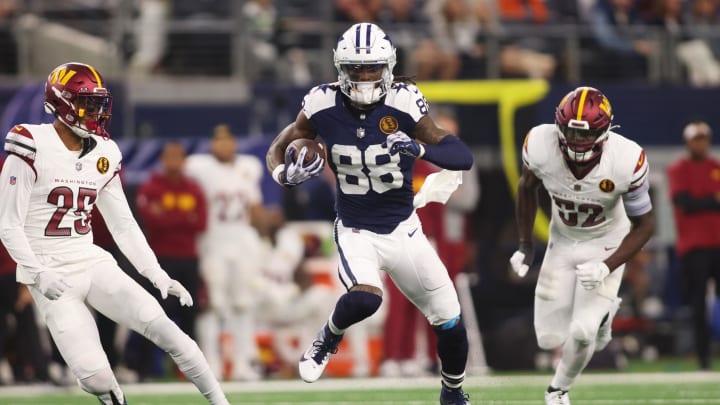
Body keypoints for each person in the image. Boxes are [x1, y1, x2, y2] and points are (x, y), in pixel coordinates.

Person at [266, 23, 474, 405]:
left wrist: (418, 148)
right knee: (366, 299)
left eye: (372, 67)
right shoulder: (321, 104)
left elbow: (462, 156)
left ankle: (453, 393)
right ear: (340, 69)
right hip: (356, 230)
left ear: (389, 66)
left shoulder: (406, 101)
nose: (364, 76)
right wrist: (284, 174)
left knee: (450, 320)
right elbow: (282, 143)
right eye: (356, 68)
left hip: (405, 230)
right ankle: (327, 338)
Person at [0, 62, 230, 405]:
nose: (96, 112)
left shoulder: (104, 152)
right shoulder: (31, 143)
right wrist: (36, 272)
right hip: (50, 273)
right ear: (62, 103)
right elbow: (8, 224)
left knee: (167, 330)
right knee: (95, 376)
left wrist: (156, 274)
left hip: (92, 261)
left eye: (98, 103)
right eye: (87, 103)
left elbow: (123, 224)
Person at [509, 86, 655, 405]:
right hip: (561, 243)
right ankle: (605, 316)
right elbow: (526, 188)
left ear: (605, 131)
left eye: (583, 136)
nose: (576, 143)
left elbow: (646, 225)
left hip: (606, 243)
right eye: (570, 134)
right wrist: (525, 244)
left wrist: (606, 266)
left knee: (582, 332)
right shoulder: (539, 144)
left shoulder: (626, 159)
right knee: (548, 339)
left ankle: (558, 390)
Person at [185, 124, 266, 381]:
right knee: (213, 305)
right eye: (218, 140)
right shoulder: (200, 167)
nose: (224, 145)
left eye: (228, 140)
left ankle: (242, 364)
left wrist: (262, 237)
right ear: (211, 145)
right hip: (213, 243)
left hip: (242, 242)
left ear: (234, 143)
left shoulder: (248, 168)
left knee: (243, 304)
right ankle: (212, 364)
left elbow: (255, 207)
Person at [134, 141, 207, 379]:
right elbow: (152, 223)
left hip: (188, 258)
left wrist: (168, 216)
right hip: (160, 261)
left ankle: (188, 371)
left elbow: (201, 223)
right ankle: (146, 369)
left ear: (184, 160)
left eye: (178, 157)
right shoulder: (152, 186)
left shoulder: (193, 187)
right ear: (162, 159)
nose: (174, 162)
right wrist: (183, 217)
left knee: (189, 317)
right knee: (153, 315)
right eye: (169, 157)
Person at [667, 120, 720, 370]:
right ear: (688, 142)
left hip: (717, 243)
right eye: (696, 138)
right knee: (698, 305)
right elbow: (685, 202)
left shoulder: (715, 167)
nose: (701, 143)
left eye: (704, 138)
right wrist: (712, 200)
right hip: (693, 246)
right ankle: (703, 359)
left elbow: (693, 202)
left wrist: (703, 201)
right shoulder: (679, 168)